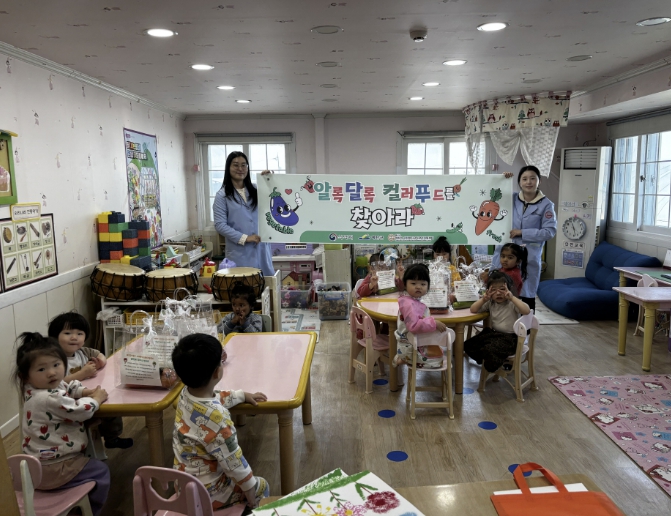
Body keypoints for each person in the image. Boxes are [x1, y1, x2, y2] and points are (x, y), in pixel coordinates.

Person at [14, 333, 110, 516]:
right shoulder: (48, 398)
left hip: (35, 466)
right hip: (55, 467)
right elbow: (80, 410)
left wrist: (83, 391)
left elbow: (66, 386)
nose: (52, 372)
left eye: (56, 365)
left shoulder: (33, 388)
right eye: (42, 369)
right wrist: (96, 399)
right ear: (25, 376)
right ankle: (88, 511)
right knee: (101, 471)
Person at [172, 333, 269, 510]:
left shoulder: (185, 395)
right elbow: (234, 463)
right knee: (261, 486)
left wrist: (241, 395)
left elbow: (214, 398)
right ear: (218, 371)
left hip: (183, 485)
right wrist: (251, 495)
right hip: (208, 494)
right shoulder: (218, 419)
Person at [48, 311, 133, 449]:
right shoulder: (53, 359)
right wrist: (82, 374)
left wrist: (100, 362)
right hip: (68, 402)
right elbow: (58, 383)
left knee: (112, 406)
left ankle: (112, 438)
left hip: (86, 392)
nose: (74, 337)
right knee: (107, 408)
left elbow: (100, 355)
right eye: (68, 333)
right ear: (55, 337)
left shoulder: (82, 352)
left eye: (80, 334)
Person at [490, 166, 557, 311]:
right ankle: (500, 325)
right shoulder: (511, 198)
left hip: (529, 257)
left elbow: (549, 232)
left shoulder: (546, 205)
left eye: (533, 178)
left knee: (526, 296)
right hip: (506, 254)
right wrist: (502, 180)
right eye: (524, 179)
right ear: (519, 182)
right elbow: (491, 198)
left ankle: (526, 326)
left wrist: (523, 232)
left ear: (539, 181)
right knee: (499, 292)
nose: (528, 182)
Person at [213, 151, 274, 277]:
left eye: (244, 165)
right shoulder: (222, 195)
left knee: (266, 285)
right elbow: (220, 225)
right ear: (228, 168)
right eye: (236, 165)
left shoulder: (256, 190)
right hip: (239, 255)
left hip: (262, 251)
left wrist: (269, 180)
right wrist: (245, 238)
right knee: (243, 286)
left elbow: (275, 200)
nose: (240, 169)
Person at [464, 271, 531, 373]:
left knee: (489, 349)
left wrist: (512, 298)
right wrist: (484, 299)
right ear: (488, 291)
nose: (498, 293)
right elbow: (473, 309)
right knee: (468, 344)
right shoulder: (491, 302)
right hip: (495, 335)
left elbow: (526, 311)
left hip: (511, 338)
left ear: (509, 289)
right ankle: (491, 360)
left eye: (502, 289)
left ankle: (494, 363)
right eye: (493, 290)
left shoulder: (512, 303)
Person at [392, 263, 447, 368]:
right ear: (405, 284)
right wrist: (434, 323)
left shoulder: (410, 300)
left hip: (412, 344)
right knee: (439, 361)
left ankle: (403, 358)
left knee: (437, 350)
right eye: (413, 283)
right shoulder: (409, 304)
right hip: (411, 348)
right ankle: (403, 359)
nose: (418, 287)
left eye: (423, 284)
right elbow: (414, 326)